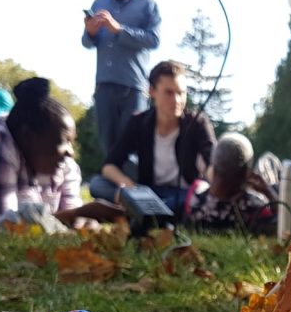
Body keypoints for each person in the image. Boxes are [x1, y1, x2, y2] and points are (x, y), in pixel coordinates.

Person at [0, 77, 123, 229]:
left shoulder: (60, 163)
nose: (70, 153)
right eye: (63, 142)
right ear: (27, 136)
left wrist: (82, 221)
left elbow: (68, 223)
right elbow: (3, 235)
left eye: (71, 142)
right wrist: (77, 214)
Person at [92, 60, 215, 218]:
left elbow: (212, 162)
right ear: (152, 91)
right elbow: (109, 166)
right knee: (97, 184)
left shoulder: (197, 123)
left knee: (200, 194)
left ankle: (142, 212)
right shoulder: (139, 122)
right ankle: (146, 209)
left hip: (186, 193)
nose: (177, 100)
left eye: (181, 93)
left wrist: (218, 181)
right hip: (147, 191)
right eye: (169, 93)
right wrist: (130, 188)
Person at [82, 0, 161, 156]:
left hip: (133, 88)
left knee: (133, 149)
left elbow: (154, 39)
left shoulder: (147, 5)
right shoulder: (100, 3)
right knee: (108, 149)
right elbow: (87, 42)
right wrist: (90, 32)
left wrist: (119, 29)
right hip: (104, 88)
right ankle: (109, 187)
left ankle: (132, 188)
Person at [187, 133, 276, 232]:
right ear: (248, 173)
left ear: (213, 165)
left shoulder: (195, 200)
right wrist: (268, 191)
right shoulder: (254, 209)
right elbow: (283, 225)